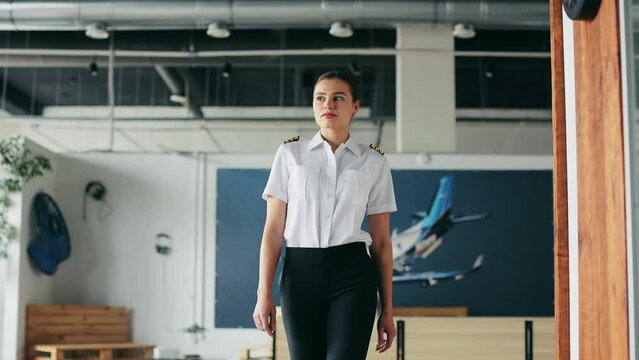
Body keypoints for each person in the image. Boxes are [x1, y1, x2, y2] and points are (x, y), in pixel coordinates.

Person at [253, 70, 397, 360]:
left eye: (338, 98)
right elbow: (272, 231)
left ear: (355, 106)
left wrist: (388, 310)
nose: (327, 105)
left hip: (353, 275)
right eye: (320, 98)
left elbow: (381, 243)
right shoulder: (290, 154)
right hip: (299, 274)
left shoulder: (374, 161)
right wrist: (263, 294)